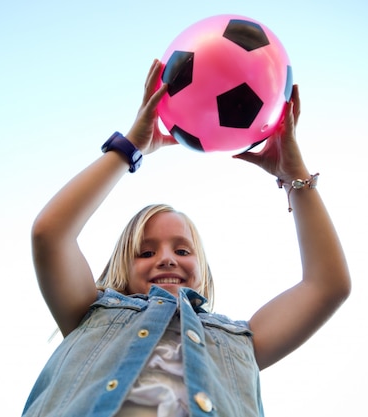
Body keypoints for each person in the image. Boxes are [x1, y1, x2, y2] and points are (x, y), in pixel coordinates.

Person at [22, 59, 351, 417]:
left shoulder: (239, 340)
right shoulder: (88, 312)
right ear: (122, 266)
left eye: (182, 249)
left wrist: (295, 178)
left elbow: (327, 285)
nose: (166, 258)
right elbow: (50, 233)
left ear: (204, 269)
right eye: (145, 252)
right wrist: (130, 146)